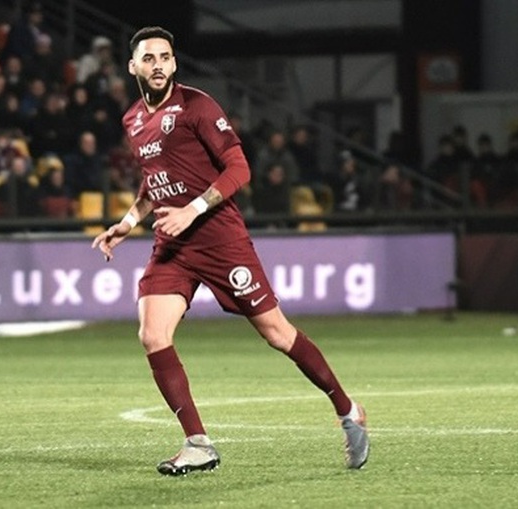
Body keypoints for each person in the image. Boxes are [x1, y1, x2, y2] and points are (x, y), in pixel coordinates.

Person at [92, 26, 369, 477]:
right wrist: (127, 223)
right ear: (133, 66)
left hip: (219, 238)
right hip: (174, 243)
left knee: (277, 333)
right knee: (152, 334)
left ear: (174, 63)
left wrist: (192, 209)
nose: (158, 65)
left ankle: (348, 410)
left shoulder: (197, 106)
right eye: (149, 58)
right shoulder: (133, 120)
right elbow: (153, 181)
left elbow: (239, 168)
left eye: (165, 57)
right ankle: (197, 443)